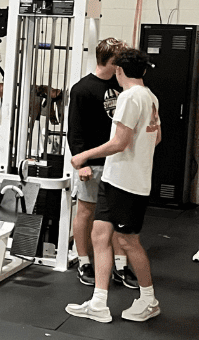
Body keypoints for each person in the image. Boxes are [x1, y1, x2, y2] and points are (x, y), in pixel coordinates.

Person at [66, 48, 161, 323]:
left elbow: (120, 142)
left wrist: (83, 155)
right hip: (116, 178)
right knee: (99, 235)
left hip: (127, 182)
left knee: (128, 242)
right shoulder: (150, 96)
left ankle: (148, 299)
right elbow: (156, 138)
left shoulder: (129, 97)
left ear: (119, 71)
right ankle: (98, 302)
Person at [67, 38, 137, 289]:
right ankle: (84, 261)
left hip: (118, 162)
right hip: (92, 162)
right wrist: (81, 163)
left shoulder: (124, 87)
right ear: (111, 62)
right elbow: (74, 131)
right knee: (86, 211)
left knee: (118, 215)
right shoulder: (82, 89)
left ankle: (119, 266)